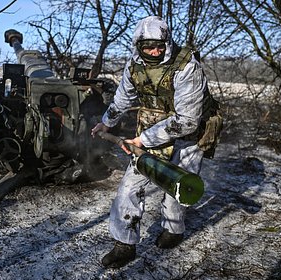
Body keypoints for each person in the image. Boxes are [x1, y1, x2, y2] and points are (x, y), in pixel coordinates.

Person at [91, 16, 215, 268]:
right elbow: (122, 99)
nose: (155, 52)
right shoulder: (134, 66)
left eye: (160, 46)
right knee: (129, 187)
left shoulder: (186, 66)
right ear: (138, 45)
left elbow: (188, 121)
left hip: (189, 137)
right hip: (152, 132)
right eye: (149, 47)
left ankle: (173, 230)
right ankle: (124, 244)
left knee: (176, 186)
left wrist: (142, 139)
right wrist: (107, 122)